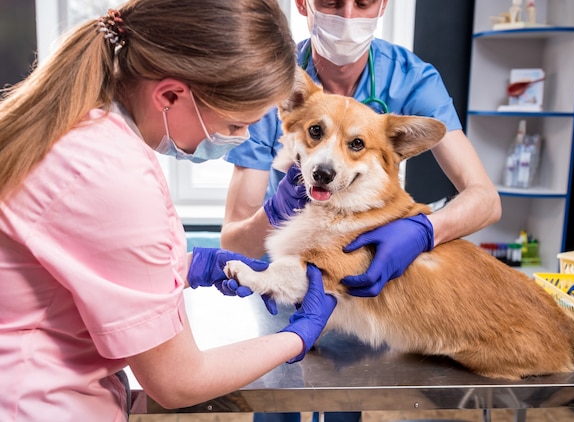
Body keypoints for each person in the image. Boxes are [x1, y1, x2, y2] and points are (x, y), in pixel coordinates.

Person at [0, 1, 337, 420]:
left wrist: (189, 266)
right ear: (171, 95)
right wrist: (298, 336)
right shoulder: (112, 174)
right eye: (235, 125)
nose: (243, 136)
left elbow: (69, 259)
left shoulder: (81, 128)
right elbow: (178, 381)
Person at [222, 0, 501, 292]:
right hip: (280, 275)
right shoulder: (273, 81)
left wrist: (424, 230)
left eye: (364, 3)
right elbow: (234, 244)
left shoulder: (410, 78)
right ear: (303, 4)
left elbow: (486, 200)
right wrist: (274, 212)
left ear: (382, 6)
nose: (348, 17)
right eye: (331, 2)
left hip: (360, 280)